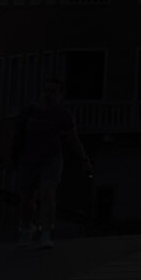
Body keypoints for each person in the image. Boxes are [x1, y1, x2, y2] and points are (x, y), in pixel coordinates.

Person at [11, 81, 87, 250]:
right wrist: (14, 157)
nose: (49, 95)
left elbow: (72, 138)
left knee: (48, 192)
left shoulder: (62, 114)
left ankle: (46, 232)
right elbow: (18, 135)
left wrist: (83, 158)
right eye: (46, 91)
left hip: (51, 158)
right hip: (28, 158)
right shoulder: (29, 112)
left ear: (60, 95)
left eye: (53, 92)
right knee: (27, 197)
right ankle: (26, 229)